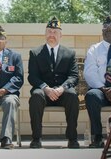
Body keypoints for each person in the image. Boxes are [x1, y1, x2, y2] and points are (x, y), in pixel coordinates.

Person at [28, 17, 79, 149]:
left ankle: (72, 138)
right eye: (49, 31)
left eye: (55, 32)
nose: (52, 34)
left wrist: (62, 88)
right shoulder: (35, 53)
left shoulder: (69, 53)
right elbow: (32, 77)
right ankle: (36, 138)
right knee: (36, 95)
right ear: (45, 34)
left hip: (63, 92)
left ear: (60, 35)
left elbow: (74, 76)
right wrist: (46, 88)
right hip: (44, 93)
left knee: (73, 95)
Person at [84, 14, 111, 149]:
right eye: (105, 27)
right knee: (91, 96)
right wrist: (104, 89)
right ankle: (97, 138)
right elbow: (89, 72)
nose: (108, 29)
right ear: (102, 31)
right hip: (101, 91)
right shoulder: (94, 49)